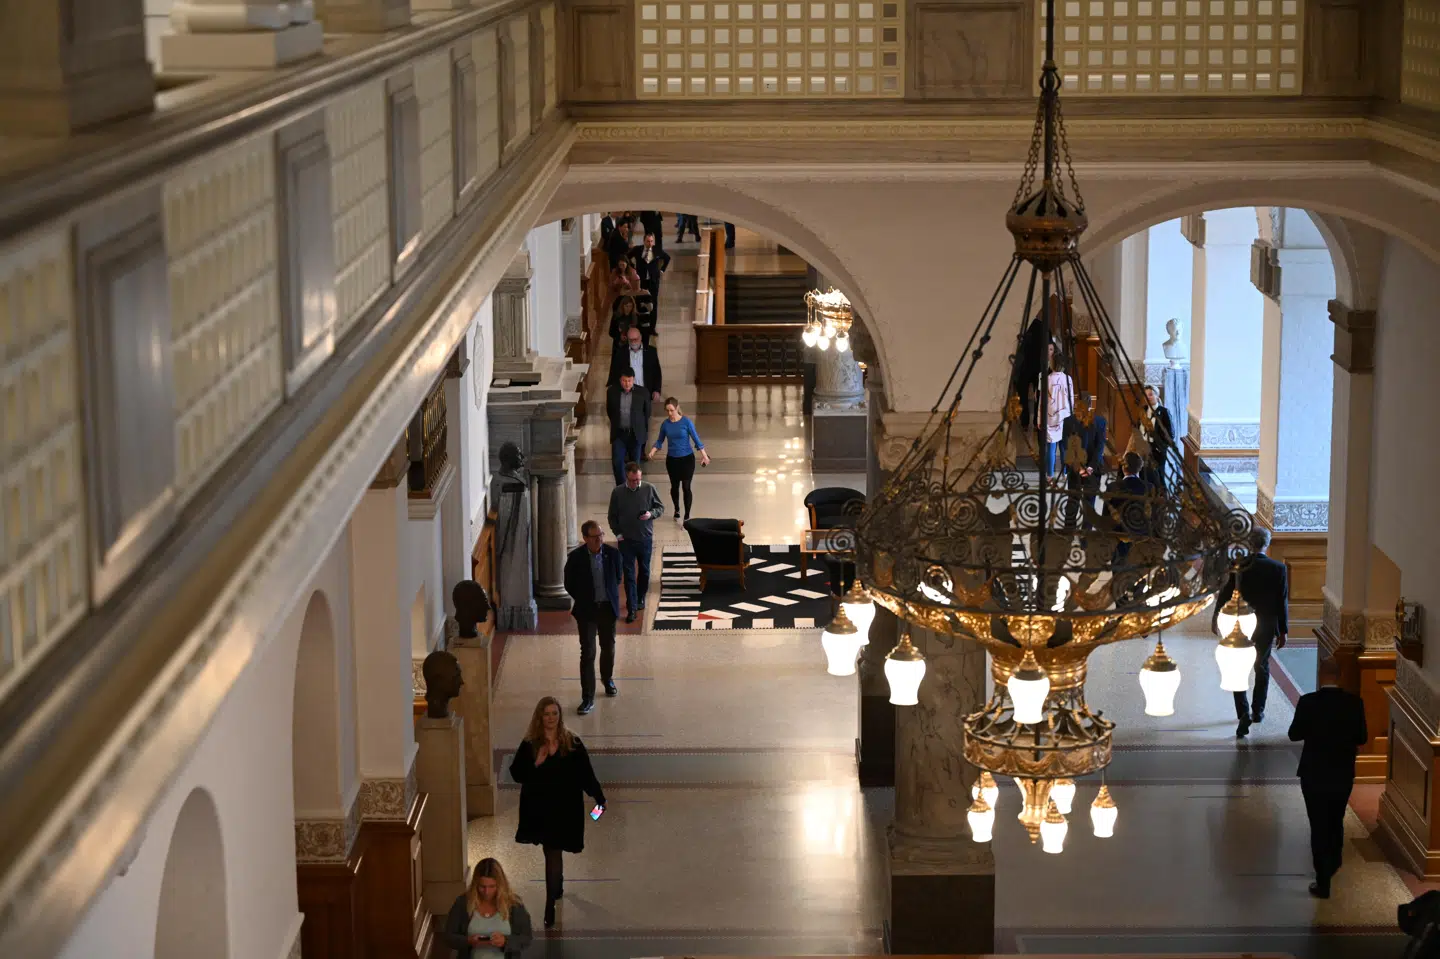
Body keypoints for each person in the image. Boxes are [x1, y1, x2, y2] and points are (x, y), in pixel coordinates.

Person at [510, 697, 606, 928]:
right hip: (541, 808)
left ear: (560, 716)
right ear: (539, 717)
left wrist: (598, 798)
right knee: (551, 852)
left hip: (566, 807)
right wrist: (537, 763)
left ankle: (555, 887)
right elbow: (517, 773)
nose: (551, 718)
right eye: (547, 714)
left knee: (555, 851)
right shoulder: (530, 744)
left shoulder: (572, 742)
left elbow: (585, 773)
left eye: (555, 713)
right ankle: (550, 901)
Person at [1288, 683, 1367, 898]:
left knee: (1318, 823)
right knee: (1336, 817)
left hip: (1313, 772)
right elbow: (1362, 738)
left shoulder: (1308, 702)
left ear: (1323, 677)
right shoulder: (1354, 703)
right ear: (1340, 677)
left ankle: (1323, 879)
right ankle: (1334, 861)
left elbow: (1294, 734)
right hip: (1342, 772)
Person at [1214, 526, 1289, 738]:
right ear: (1267, 544)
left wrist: (1215, 618)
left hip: (1239, 623)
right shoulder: (1278, 569)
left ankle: (1243, 712)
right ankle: (1258, 711)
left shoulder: (1238, 566)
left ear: (1249, 544)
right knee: (1261, 667)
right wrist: (1283, 630)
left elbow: (1225, 593)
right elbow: (1281, 602)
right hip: (1265, 626)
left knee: (1237, 666)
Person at [564, 520, 623, 713]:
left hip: (607, 608)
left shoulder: (613, 554)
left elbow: (617, 577)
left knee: (608, 647)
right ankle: (587, 697)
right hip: (587, 611)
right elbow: (569, 584)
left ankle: (608, 680)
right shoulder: (575, 558)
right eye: (595, 537)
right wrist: (583, 598)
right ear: (585, 538)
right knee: (588, 653)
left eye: (601, 535)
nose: (600, 539)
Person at [442, 858, 534, 959]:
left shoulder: (514, 904)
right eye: (482, 886)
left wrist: (505, 941)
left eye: (492, 886)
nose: (487, 892)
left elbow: (526, 938)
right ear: (475, 884)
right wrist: (468, 941)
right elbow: (449, 937)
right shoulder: (463, 903)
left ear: (500, 884)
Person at [608, 461, 664, 623]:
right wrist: (618, 534)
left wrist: (650, 514)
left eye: (638, 479)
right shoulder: (618, 493)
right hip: (626, 541)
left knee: (645, 571)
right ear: (627, 477)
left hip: (645, 539)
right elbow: (612, 516)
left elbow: (660, 507)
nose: (636, 483)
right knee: (630, 575)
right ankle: (632, 608)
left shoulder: (649, 488)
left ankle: (640, 598)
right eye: (633, 480)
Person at [647, 397, 710, 521]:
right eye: (667, 411)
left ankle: (687, 516)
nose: (670, 413)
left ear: (677, 408)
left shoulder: (686, 422)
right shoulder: (665, 424)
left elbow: (696, 439)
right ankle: (677, 508)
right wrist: (652, 451)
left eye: (672, 410)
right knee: (674, 487)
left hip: (687, 459)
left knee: (686, 487)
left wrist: (704, 455)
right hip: (672, 460)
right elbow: (660, 440)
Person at [1060, 392, 1107, 529]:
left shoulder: (1068, 421)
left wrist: (1077, 466)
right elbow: (1100, 447)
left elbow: (1065, 446)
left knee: (1073, 499)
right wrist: (1091, 467)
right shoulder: (1100, 421)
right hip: (1093, 469)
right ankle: (1085, 537)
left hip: (1075, 468)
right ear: (1091, 405)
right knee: (1089, 502)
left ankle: (1068, 532)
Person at [607, 369, 651, 486]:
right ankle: (621, 488)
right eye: (624, 381)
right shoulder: (612, 392)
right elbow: (610, 412)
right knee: (617, 462)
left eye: (629, 381)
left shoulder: (643, 392)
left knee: (635, 465)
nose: (627, 384)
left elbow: (647, 413)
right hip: (619, 434)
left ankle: (634, 488)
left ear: (633, 379)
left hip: (635, 434)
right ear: (620, 380)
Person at [609, 324, 663, 403]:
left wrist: (656, 390)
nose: (633, 342)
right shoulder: (621, 353)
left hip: (646, 391)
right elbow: (615, 373)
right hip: (627, 393)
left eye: (636, 339)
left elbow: (657, 372)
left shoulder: (651, 351)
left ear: (640, 337)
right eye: (631, 340)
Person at [1043, 352, 1075, 481]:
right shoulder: (1068, 379)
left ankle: (1049, 476)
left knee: (1051, 447)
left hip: (1051, 416)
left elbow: (1042, 402)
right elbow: (1071, 399)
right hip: (1065, 416)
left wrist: (1040, 419)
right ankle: (1065, 473)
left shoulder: (1047, 379)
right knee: (1064, 448)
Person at [1141, 384, 1175, 491]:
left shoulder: (1164, 412)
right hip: (1144, 448)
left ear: (1157, 395)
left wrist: (1160, 447)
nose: (1148, 397)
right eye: (1146, 395)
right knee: (1144, 475)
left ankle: (1163, 499)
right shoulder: (1143, 410)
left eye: (1151, 394)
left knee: (1158, 476)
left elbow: (1170, 434)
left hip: (1157, 450)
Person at [631, 232, 671, 302]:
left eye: (651, 241)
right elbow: (627, 257)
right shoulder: (637, 249)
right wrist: (632, 269)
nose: (650, 243)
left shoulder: (657, 250)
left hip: (653, 281)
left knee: (653, 301)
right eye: (648, 241)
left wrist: (662, 270)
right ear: (644, 241)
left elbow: (667, 258)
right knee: (640, 300)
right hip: (641, 280)